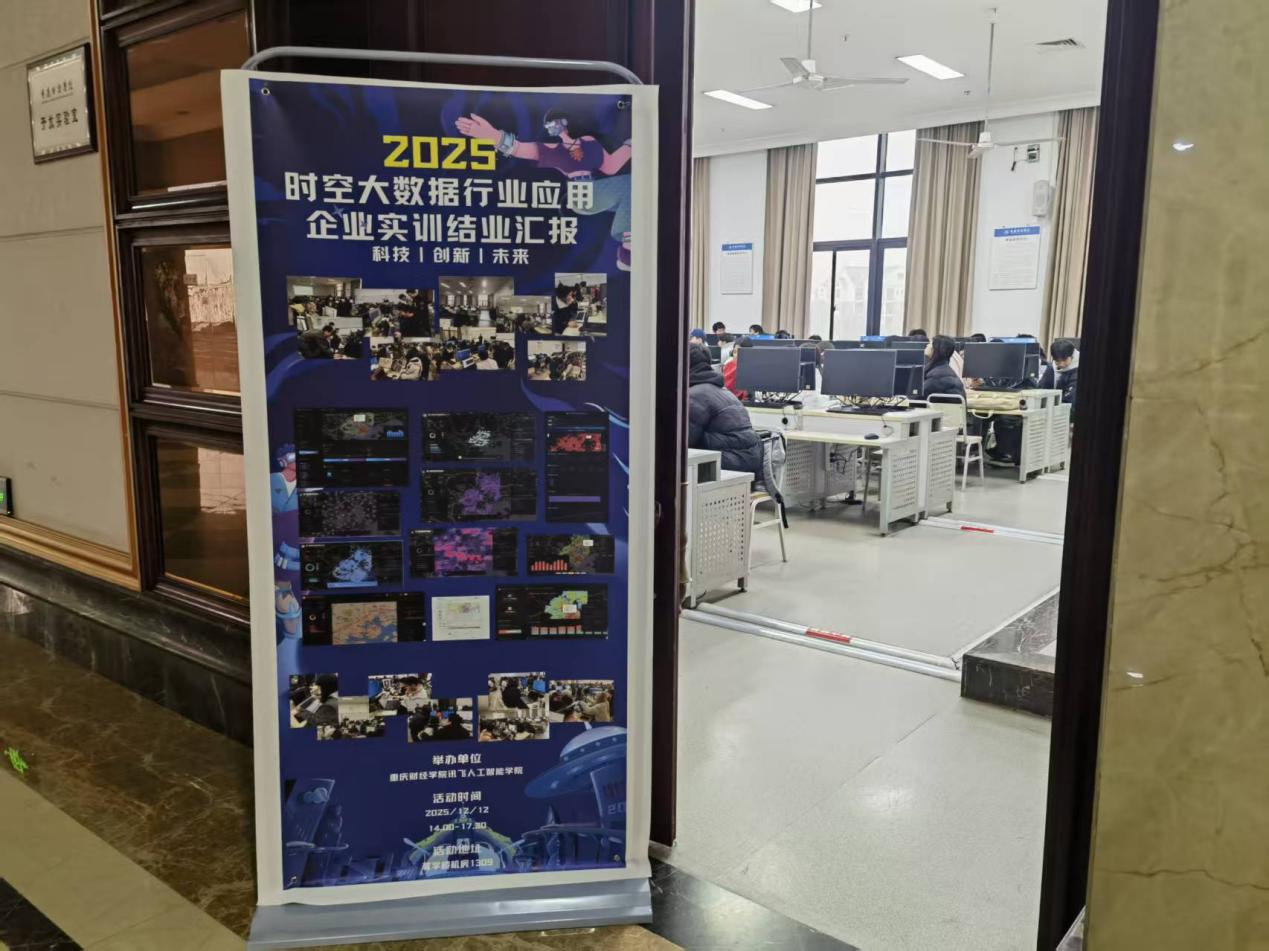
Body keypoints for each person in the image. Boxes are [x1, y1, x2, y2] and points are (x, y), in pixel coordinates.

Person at [687, 345, 763, 479]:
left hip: (729, 464)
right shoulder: (722, 391)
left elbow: (685, 441)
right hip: (748, 461)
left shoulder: (694, 396)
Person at [1040, 339, 1079, 411]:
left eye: (1064, 360)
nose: (1061, 364)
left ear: (1072, 355)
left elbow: (1071, 399)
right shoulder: (1052, 368)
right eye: (1057, 361)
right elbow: (1042, 389)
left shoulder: (1078, 368)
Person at [923, 335, 966, 400]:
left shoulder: (937, 376)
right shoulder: (945, 370)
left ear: (936, 349)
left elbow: (919, 397)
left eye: (930, 343)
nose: (927, 345)